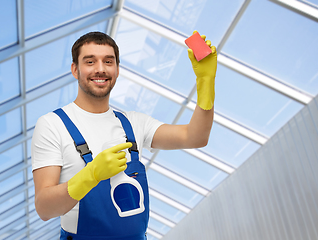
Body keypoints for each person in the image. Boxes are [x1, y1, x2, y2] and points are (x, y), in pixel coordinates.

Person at [31, 31, 217, 240]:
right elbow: (44, 208)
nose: (100, 69)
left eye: (108, 61)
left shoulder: (134, 123)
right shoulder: (52, 125)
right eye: (90, 61)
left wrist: (205, 80)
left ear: (117, 69)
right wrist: (91, 175)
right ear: (75, 69)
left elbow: (195, 137)